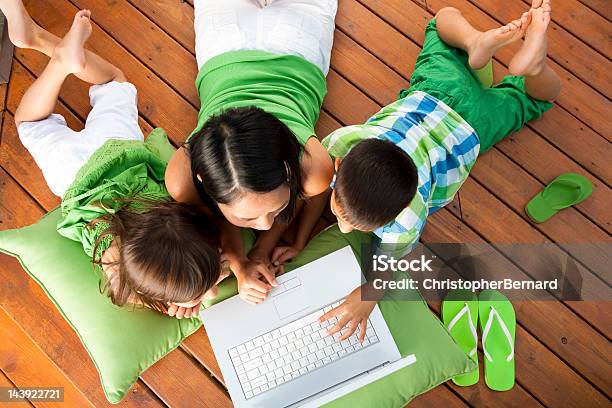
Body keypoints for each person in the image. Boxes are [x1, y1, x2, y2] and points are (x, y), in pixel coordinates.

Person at [319, 1, 561, 341]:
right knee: (442, 22)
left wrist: (368, 296)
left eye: (353, 224)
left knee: (533, 101)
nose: (343, 228)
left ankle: (526, 66)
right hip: (435, 97)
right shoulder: (345, 142)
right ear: (342, 164)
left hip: (469, 127)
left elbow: (392, 265)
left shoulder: (402, 209)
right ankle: (492, 49)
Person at [2, 1, 226, 319]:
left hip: (118, 150)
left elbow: (203, 253)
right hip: (72, 172)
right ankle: (46, 49)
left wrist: (201, 283)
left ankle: (55, 50)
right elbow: (127, 296)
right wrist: (183, 297)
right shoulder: (114, 259)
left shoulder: (175, 216)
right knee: (29, 122)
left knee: (114, 81)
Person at [164, 0, 337, 305]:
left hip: (267, 42)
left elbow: (307, 194)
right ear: (205, 181)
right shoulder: (183, 178)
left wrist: (258, 253)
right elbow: (214, 221)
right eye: (248, 217)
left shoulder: (312, 172)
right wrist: (242, 260)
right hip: (286, 42)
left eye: (273, 211)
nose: (266, 225)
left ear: (289, 169)